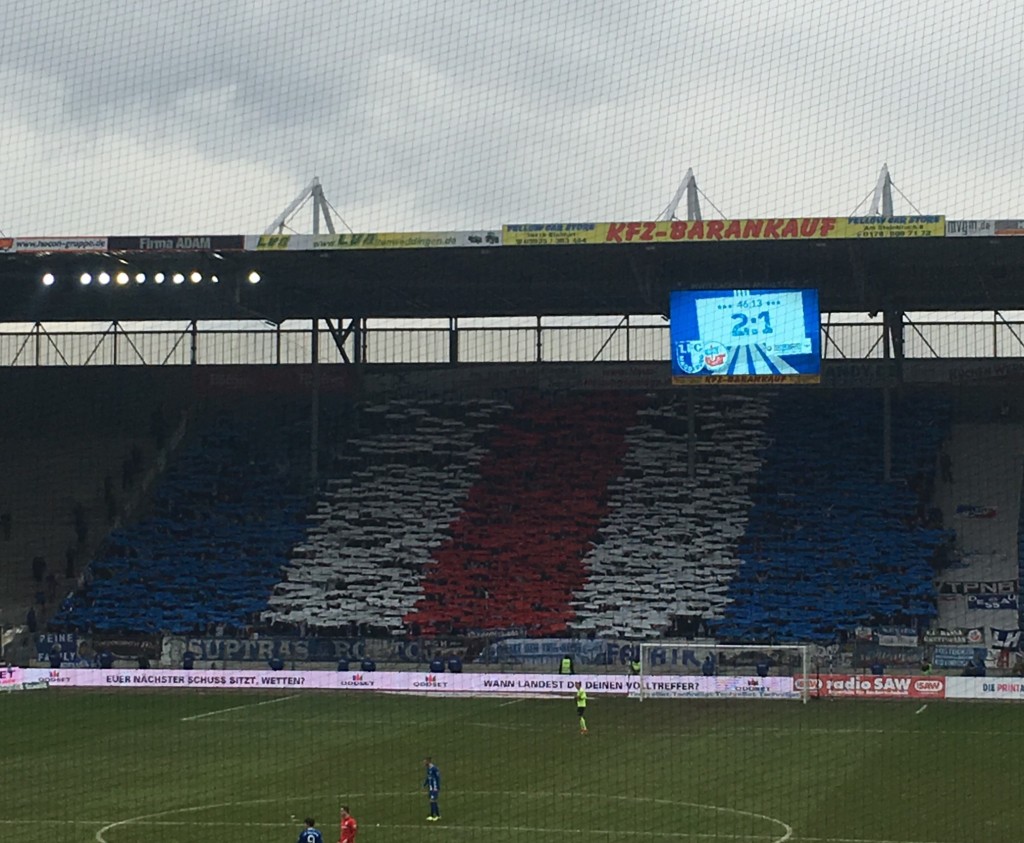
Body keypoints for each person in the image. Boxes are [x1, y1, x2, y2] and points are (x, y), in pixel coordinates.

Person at [423, 757, 441, 821]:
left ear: (428, 761)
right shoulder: (428, 769)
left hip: (434, 788)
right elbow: (428, 777)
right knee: (433, 801)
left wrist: (437, 787)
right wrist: (425, 784)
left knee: (432, 801)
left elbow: (438, 778)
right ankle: (438, 815)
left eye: (425, 762)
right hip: (431, 788)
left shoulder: (434, 769)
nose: (424, 763)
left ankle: (433, 815)